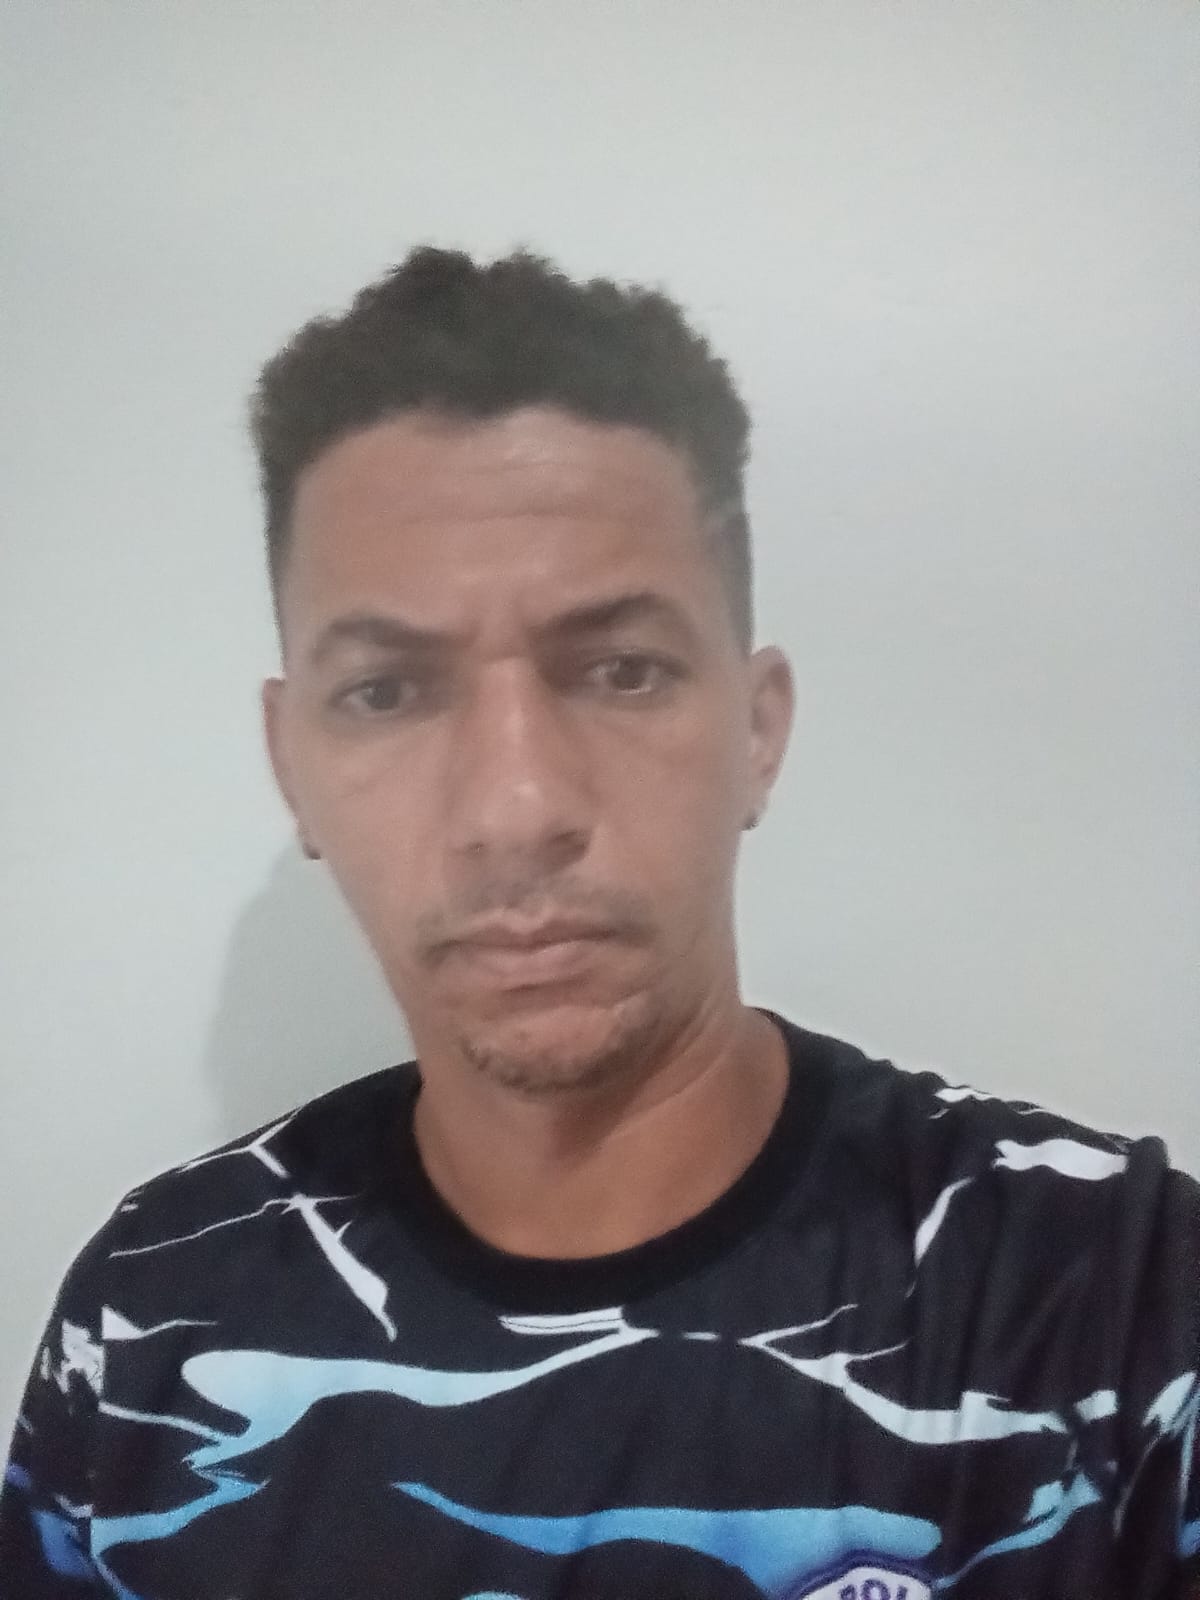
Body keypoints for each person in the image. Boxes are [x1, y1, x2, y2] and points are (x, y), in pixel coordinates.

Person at [1, 247, 1196, 1600]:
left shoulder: (1114, 1304)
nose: (516, 808)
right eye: (387, 692)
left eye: (622, 670)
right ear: (293, 766)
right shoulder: (151, 1312)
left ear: (758, 732)